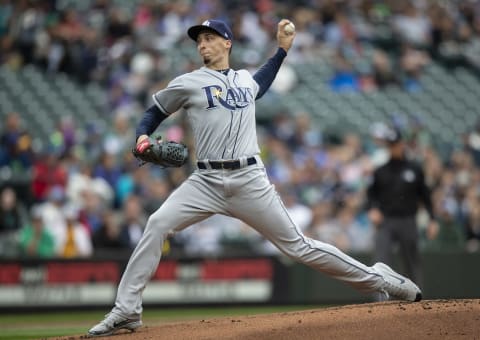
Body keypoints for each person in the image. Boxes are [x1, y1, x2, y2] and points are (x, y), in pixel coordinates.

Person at [88, 18, 422, 337]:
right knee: (157, 223)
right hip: (204, 182)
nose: (202, 44)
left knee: (299, 248)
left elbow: (262, 80)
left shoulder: (245, 80)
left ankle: (380, 279)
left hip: (249, 179)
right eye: (199, 40)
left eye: (208, 38)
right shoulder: (189, 82)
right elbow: (153, 113)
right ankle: (128, 309)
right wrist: (142, 138)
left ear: (227, 43)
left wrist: (282, 50)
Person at [367, 127, 438, 287]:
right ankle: (379, 305)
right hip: (386, 222)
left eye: (395, 144)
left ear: (402, 144)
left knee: (412, 262)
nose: (393, 147)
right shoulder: (380, 171)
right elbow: (371, 195)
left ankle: (416, 302)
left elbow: (425, 195)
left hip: (408, 220)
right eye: (390, 145)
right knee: (381, 262)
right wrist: (372, 209)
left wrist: (432, 219)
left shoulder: (414, 169)